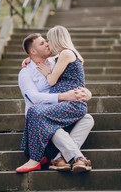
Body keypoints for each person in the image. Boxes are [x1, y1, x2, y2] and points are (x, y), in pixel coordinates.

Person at [16, 26, 94, 173]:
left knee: (88, 118)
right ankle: (75, 157)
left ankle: (60, 158)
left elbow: (73, 76)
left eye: (48, 41)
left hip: (61, 111)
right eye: (42, 43)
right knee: (46, 120)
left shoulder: (55, 62)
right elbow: (34, 98)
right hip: (41, 120)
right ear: (33, 51)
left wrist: (87, 93)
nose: (47, 44)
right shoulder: (25, 73)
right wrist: (63, 96)